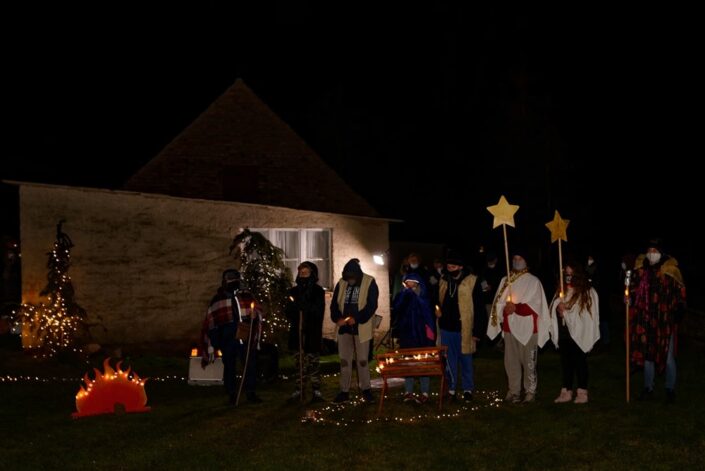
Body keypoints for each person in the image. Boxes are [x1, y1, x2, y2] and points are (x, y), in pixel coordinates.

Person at [487, 248, 550, 403]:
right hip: (510, 326)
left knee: (529, 361)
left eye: (519, 258)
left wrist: (517, 308)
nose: (516, 261)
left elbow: (537, 305)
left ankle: (530, 391)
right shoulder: (506, 280)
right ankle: (513, 391)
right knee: (511, 362)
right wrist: (504, 308)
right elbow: (498, 302)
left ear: (526, 261)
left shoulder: (533, 281)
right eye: (514, 258)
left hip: (528, 328)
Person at [628, 238, 686, 404]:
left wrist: (679, 309)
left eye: (655, 251)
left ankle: (670, 388)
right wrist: (629, 298)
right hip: (645, 318)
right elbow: (633, 289)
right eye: (649, 250)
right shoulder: (641, 269)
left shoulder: (670, 270)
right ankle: (648, 387)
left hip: (664, 320)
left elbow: (680, 291)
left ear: (661, 253)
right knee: (647, 355)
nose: (651, 254)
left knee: (667, 356)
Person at [201, 269, 263, 404]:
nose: (231, 281)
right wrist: (215, 339)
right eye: (228, 279)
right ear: (224, 281)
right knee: (229, 365)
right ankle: (232, 393)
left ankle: (250, 392)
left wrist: (255, 314)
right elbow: (212, 319)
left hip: (246, 334)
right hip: (227, 336)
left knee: (249, 364)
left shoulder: (246, 295)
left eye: (233, 279)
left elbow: (257, 309)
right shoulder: (218, 298)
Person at [436, 251, 485, 402]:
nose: (450, 269)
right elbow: (438, 300)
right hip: (446, 328)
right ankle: (451, 390)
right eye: (448, 266)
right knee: (449, 361)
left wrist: (477, 332)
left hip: (465, 328)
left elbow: (479, 308)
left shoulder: (472, 281)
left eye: (453, 266)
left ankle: (467, 390)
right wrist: (437, 310)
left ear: (461, 267)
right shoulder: (444, 280)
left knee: (466, 360)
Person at [549, 260, 600, 404]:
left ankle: (582, 391)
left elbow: (586, 315)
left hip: (579, 333)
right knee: (566, 363)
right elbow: (554, 307)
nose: (568, 277)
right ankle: (566, 391)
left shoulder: (587, 293)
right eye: (566, 273)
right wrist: (558, 307)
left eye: (571, 274)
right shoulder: (561, 291)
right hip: (564, 332)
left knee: (579, 362)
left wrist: (567, 312)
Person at [330, 258, 379, 403]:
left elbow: (371, 305)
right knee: (345, 361)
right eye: (348, 278)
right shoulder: (341, 283)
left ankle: (366, 389)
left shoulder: (369, 282)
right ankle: (344, 391)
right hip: (344, 329)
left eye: (352, 278)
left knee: (362, 361)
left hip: (361, 329)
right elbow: (334, 304)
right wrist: (337, 318)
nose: (350, 281)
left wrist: (357, 318)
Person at [390, 272, 436, 404]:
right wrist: (405, 294)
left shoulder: (424, 295)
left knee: (423, 363)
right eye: (408, 282)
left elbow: (428, 313)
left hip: (422, 336)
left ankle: (425, 392)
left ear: (417, 283)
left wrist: (430, 334)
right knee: (408, 363)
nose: (411, 285)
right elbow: (397, 308)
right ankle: (408, 391)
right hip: (407, 336)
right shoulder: (402, 295)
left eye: (413, 282)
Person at [285, 262, 325, 403]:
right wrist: (295, 308)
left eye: (306, 273)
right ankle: (299, 389)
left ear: (312, 274)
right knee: (299, 364)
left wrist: (305, 307)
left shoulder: (318, 291)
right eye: (301, 273)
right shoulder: (293, 292)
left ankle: (316, 390)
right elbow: (288, 311)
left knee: (313, 362)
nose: (303, 275)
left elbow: (318, 311)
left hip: (312, 332)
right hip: (297, 332)